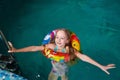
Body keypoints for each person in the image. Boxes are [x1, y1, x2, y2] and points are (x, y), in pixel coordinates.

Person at [8, 28, 115, 80]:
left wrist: (101, 66)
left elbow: (83, 57)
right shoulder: (51, 46)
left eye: (62, 38)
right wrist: (16, 50)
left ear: (67, 40)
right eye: (57, 37)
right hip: (54, 65)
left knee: (62, 75)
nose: (59, 40)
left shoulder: (69, 50)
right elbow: (34, 48)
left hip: (63, 66)